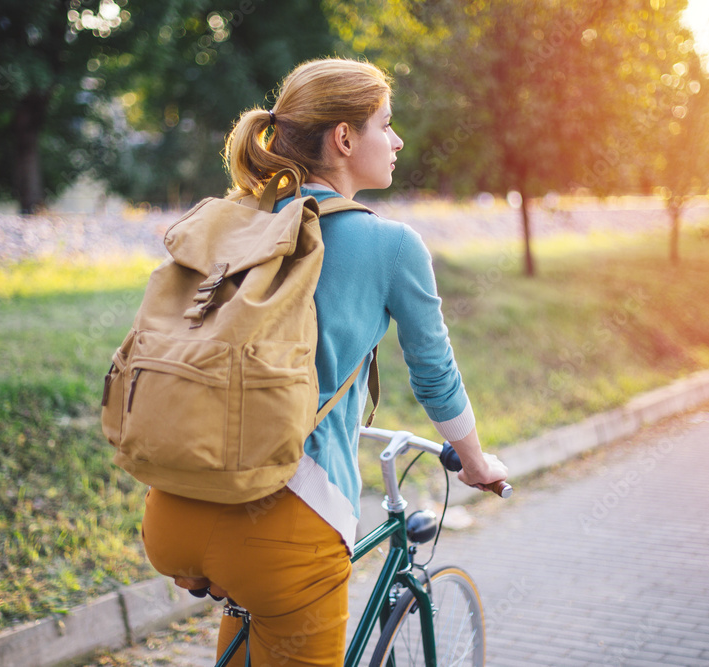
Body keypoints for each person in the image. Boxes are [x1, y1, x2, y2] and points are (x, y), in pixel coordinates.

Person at [140, 57, 509, 667]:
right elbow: (435, 375)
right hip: (284, 522)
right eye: (385, 124)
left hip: (176, 505)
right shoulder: (391, 246)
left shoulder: (239, 221)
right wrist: (475, 463)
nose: (396, 141)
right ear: (343, 138)